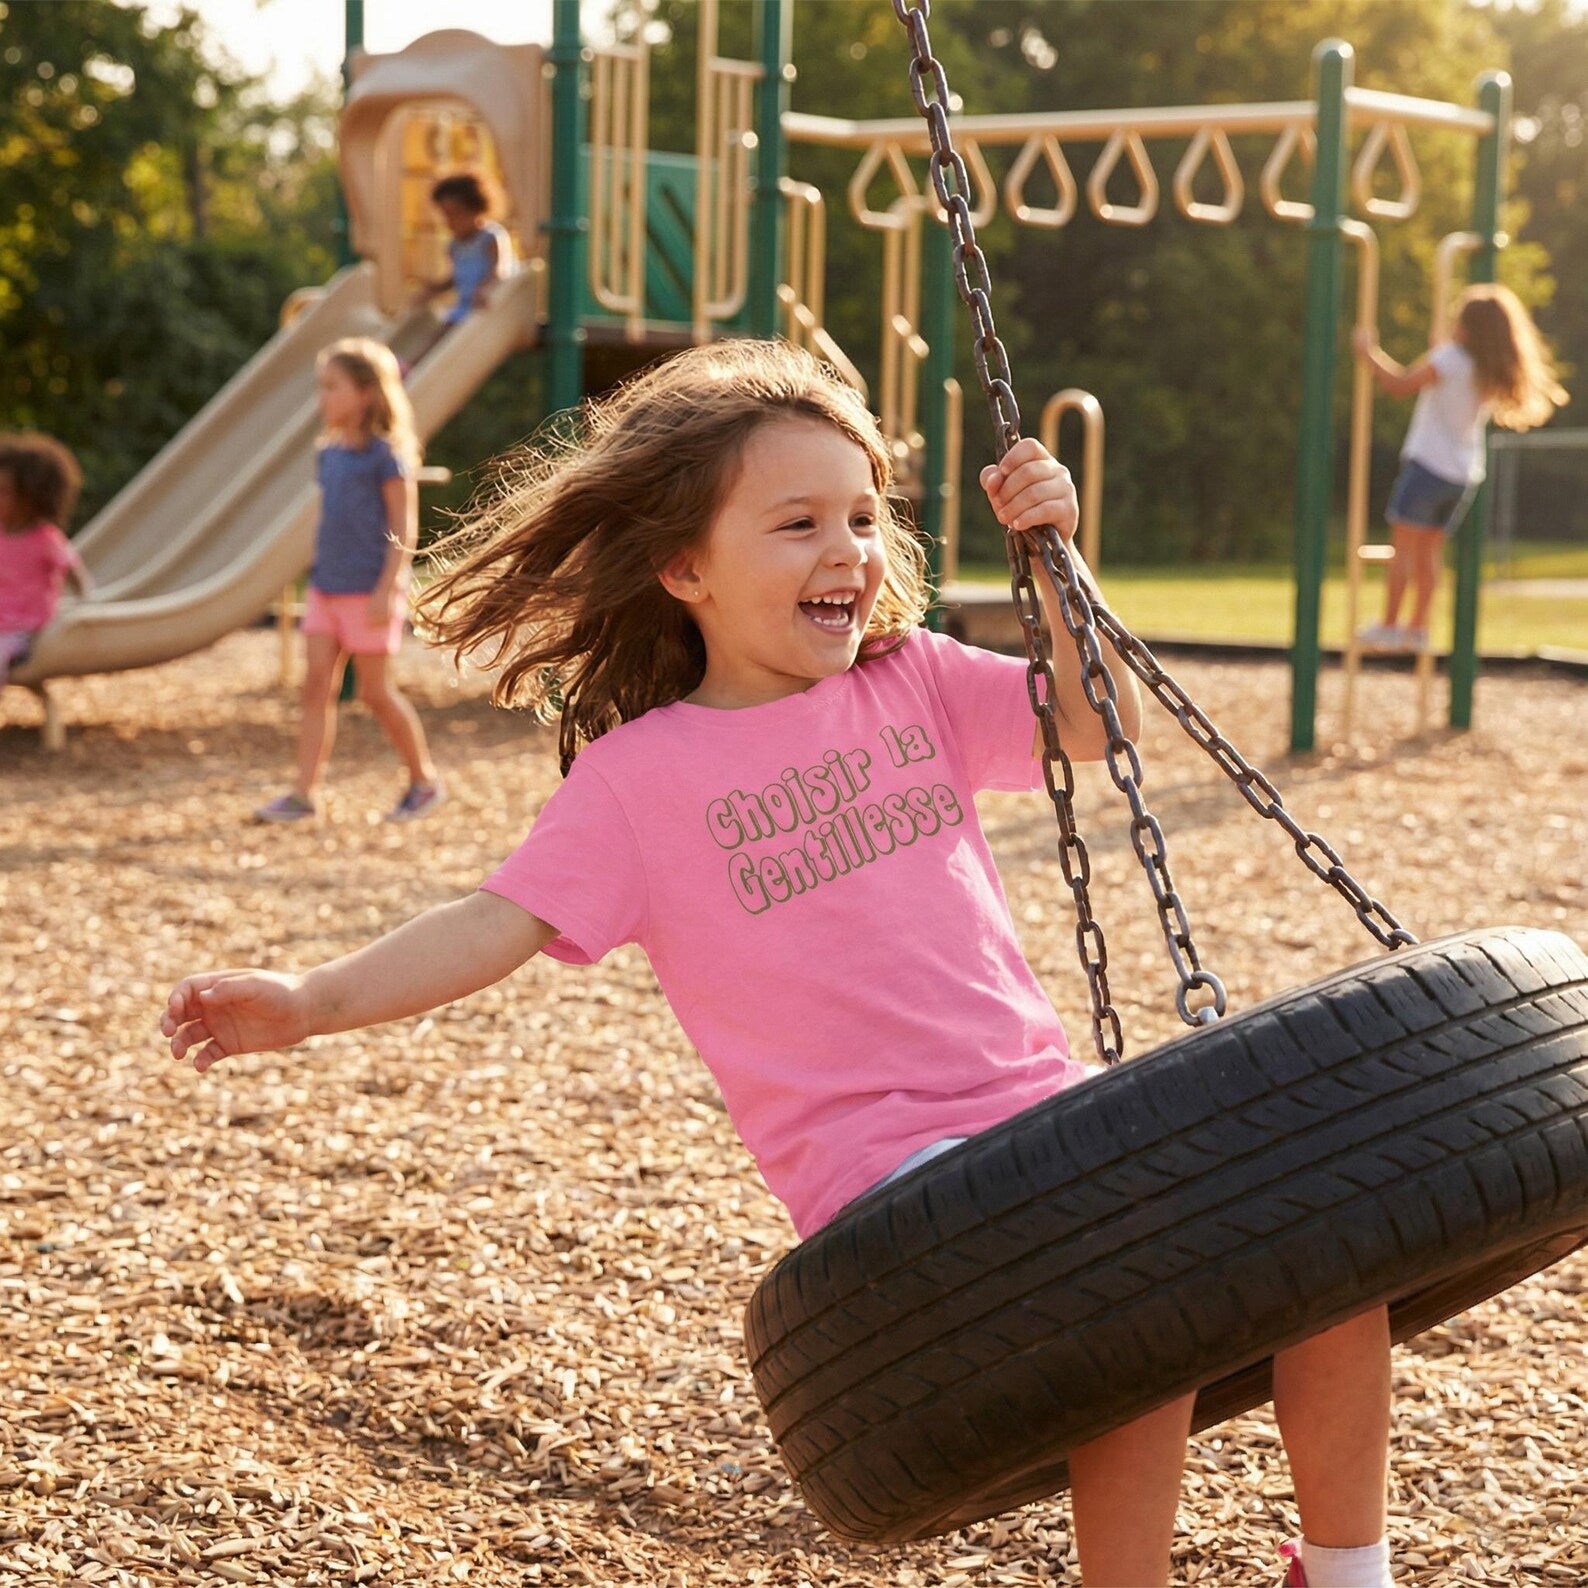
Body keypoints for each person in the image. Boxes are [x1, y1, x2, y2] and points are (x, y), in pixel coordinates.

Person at [165, 342, 1397, 1587]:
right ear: (684, 565)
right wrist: (313, 1001)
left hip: (1050, 1123)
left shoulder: (909, 683)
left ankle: (1348, 1573)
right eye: (798, 522)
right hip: (898, 1189)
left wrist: (1053, 560)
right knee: (1132, 1320)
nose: (848, 552)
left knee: (1335, 1237)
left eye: (864, 518)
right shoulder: (640, 780)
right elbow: (497, 921)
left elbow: (1096, 722)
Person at [256, 339, 442, 823]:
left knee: (374, 693)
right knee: (315, 688)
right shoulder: (329, 454)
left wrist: (386, 588)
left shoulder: (386, 457)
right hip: (326, 590)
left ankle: (423, 782)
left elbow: (405, 527)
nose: (322, 399)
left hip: (369, 593)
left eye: (331, 387)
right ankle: (304, 794)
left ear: (364, 393)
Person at [1352, 282, 1567, 653]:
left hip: (1428, 464)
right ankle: (1417, 629)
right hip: (1462, 474)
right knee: (1428, 553)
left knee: (1403, 548)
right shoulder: (1484, 368)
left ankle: (1389, 625)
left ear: (1466, 328)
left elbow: (1400, 384)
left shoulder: (1449, 359)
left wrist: (1367, 353)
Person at [0, 431, 91, 682]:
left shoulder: (45, 539)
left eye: (5, 492)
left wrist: (85, 611)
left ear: (31, 497)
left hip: (24, 629)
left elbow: (76, 573)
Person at [416, 171, 513, 332]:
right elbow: (455, 278)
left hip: (488, 307)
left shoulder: (491, 237)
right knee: (436, 330)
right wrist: (432, 289)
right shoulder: (454, 246)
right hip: (465, 307)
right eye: (446, 215)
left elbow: (500, 270)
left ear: (476, 210)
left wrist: (485, 289)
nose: (450, 221)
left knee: (445, 332)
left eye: (456, 214)